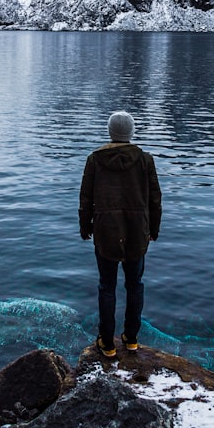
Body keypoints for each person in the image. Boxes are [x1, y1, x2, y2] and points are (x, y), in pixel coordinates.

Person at [79, 111, 162, 358]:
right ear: (131, 133)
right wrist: (154, 229)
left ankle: (107, 343)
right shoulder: (145, 160)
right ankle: (132, 338)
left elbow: (86, 198)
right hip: (138, 232)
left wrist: (85, 227)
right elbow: (155, 199)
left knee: (107, 286)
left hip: (106, 231)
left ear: (110, 131)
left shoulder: (95, 160)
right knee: (135, 285)